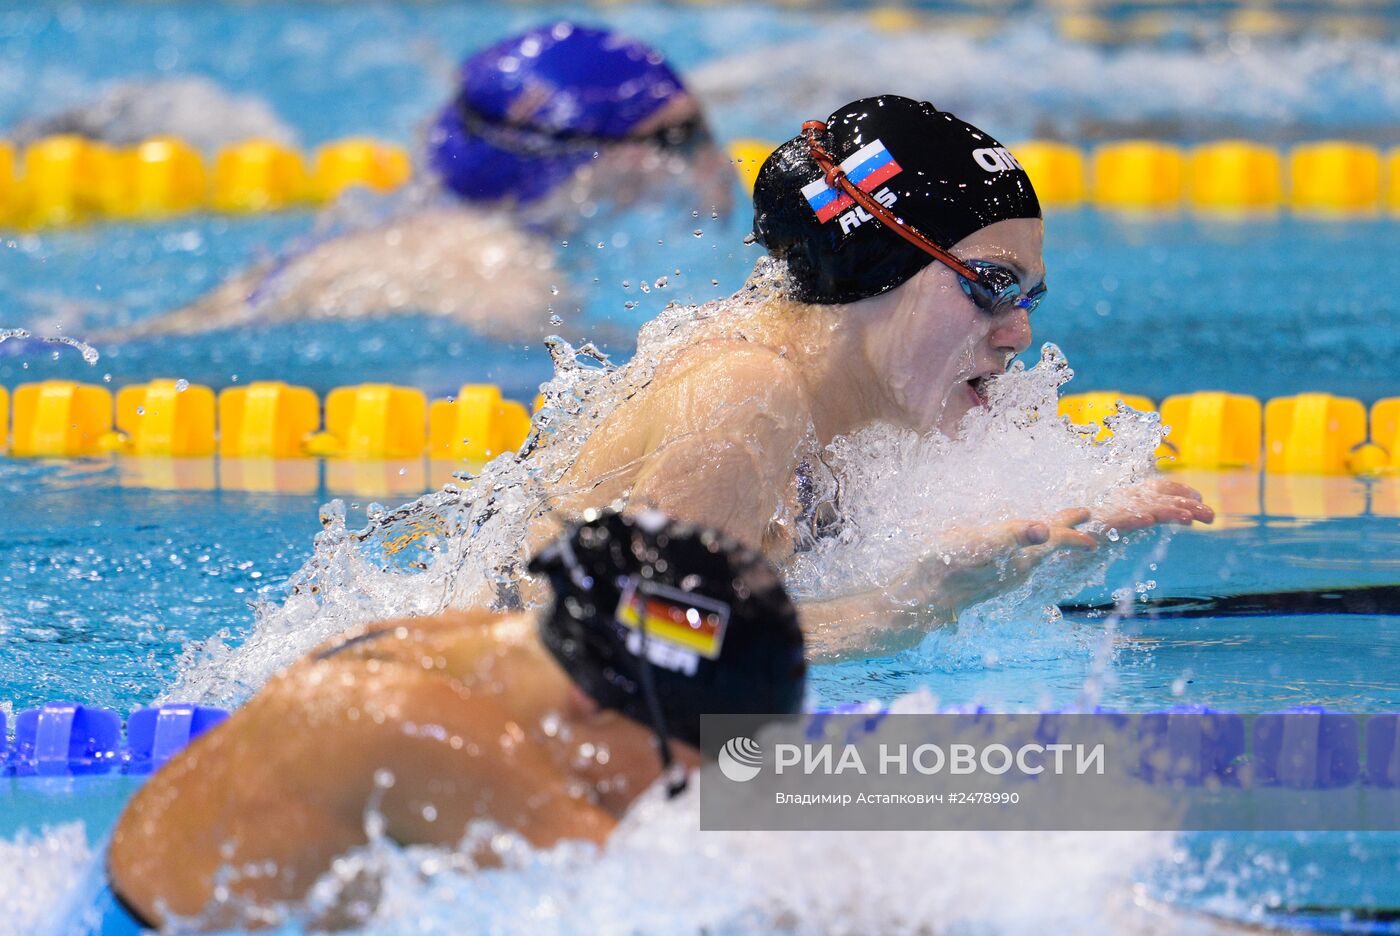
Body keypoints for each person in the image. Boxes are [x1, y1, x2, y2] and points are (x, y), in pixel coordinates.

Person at [548, 95, 1214, 657]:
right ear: (872, 266)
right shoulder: (745, 393)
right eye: (990, 285)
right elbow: (636, 637)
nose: (1019, 334)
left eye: (1026, 298)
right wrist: (908, 606)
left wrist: (1037, 548)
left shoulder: (861, 405)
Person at [108, 510, 805, 930]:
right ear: (591, 704)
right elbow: (686, 910)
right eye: (676, 782)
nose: (660, 808)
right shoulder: (416, 730)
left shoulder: (470, 650)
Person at [107, 22, 734, 343]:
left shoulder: (385, 227)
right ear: (587, 158)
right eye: (674, 139)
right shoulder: (505, 277)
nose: (703, 158)